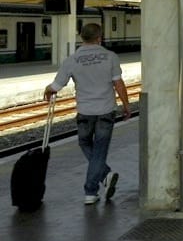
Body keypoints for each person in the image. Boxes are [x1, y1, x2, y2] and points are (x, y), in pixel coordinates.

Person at [43, 23, 130, 204]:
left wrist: (48, 89)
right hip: (106, 111)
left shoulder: (72, 60)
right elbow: (118, 84)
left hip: (85, 112)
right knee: (100, 148)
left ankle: (95, 186)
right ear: (100, 37)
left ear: (82, 38)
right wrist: (126, 105)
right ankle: (98, 182)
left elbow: (57, 86)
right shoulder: (110, 57)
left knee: (84, 142)